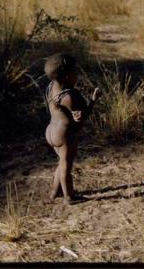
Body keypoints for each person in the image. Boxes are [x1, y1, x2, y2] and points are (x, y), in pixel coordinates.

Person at [43, 53, 100, 205]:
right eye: (76, 72)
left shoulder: (51, 88)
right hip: (65, 134)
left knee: (61, 162)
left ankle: (54, 193)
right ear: (67, 76)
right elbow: (83, 115)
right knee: (66, 167)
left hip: (51, 131)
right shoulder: (70, 96)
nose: (78, 76)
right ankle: (69, 197)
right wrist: (93, 101)